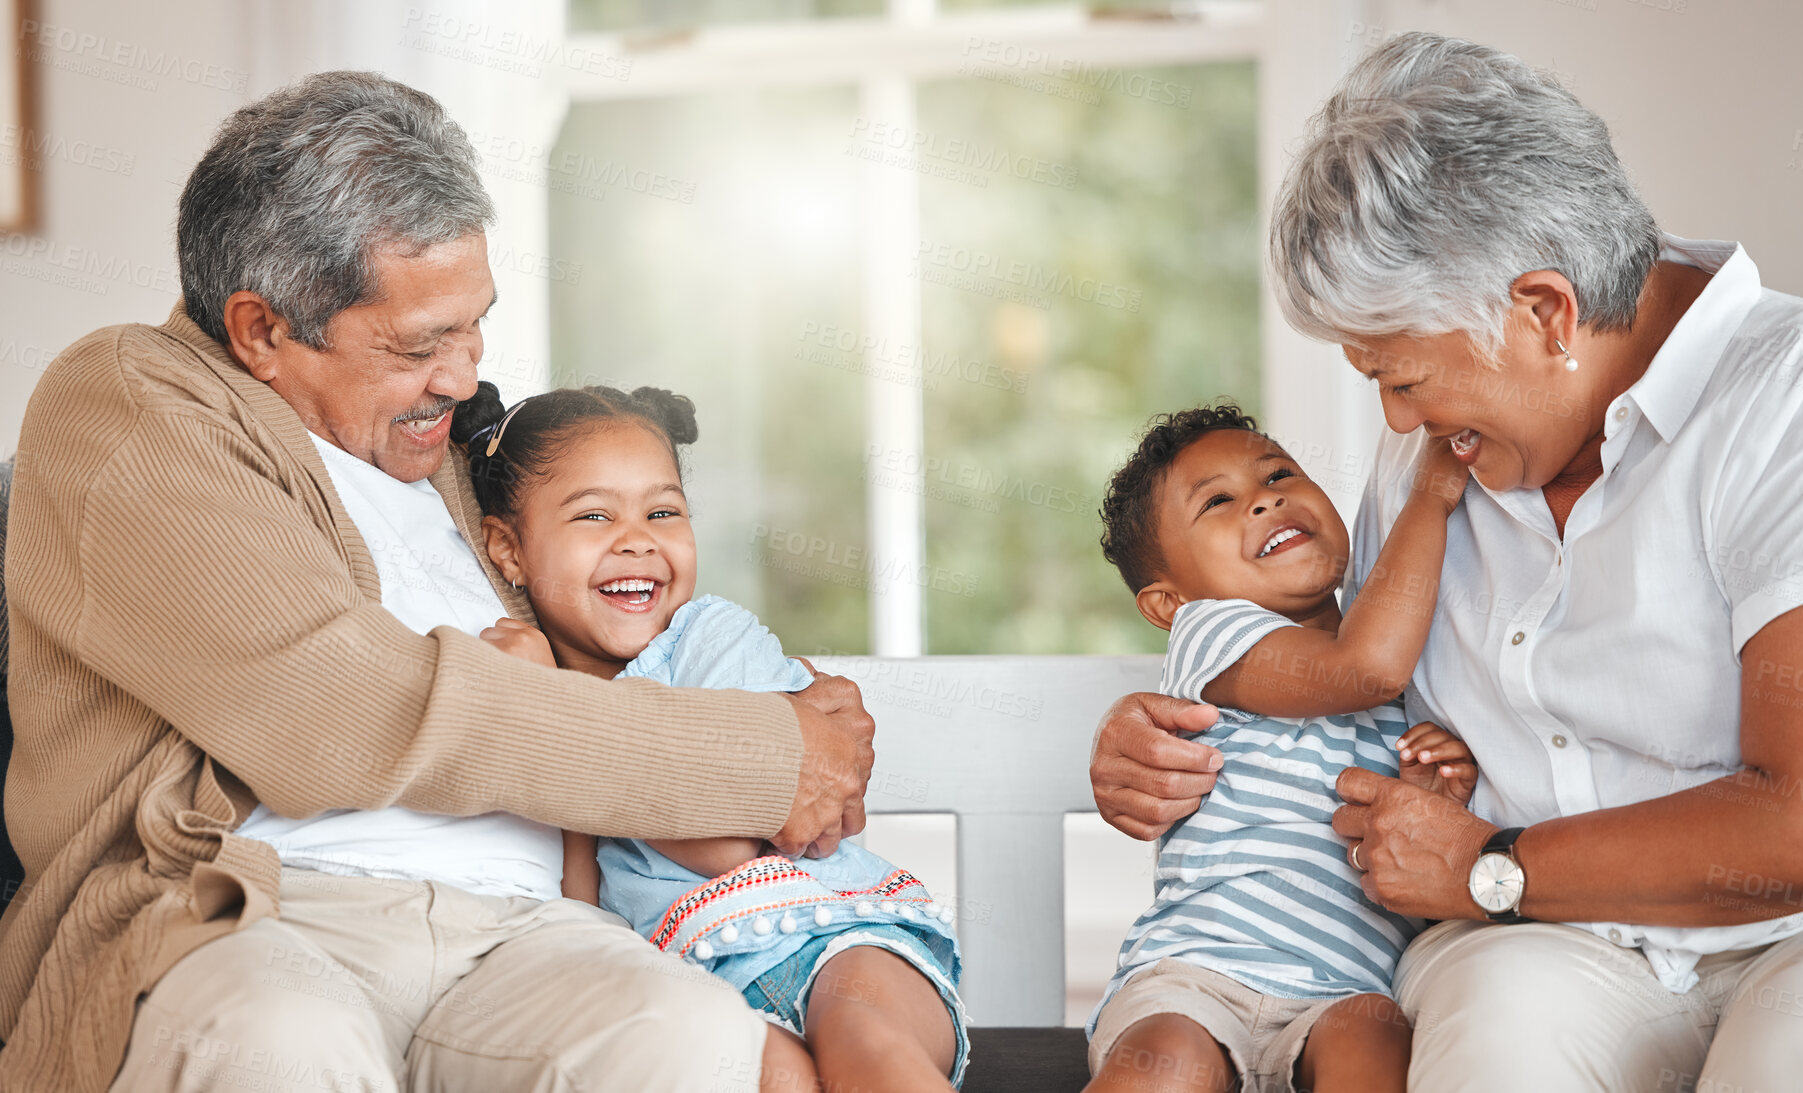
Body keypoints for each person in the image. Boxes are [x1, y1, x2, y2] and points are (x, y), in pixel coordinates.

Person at [0, 72, 874, 1093]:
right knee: (280, 1039)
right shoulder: (134, 401)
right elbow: (345, 710)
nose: (463, 376)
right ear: (261, 332)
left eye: (473, 326)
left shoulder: (469, 458)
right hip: (247, 913)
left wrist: (804, 723)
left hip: (522, 928)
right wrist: (765, 752)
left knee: (677, 1030)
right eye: (419, 345)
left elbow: (627, 634)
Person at [1090, 31, 1803, 1092]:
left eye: (1399, 374)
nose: (1393, 417)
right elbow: (1320, 665)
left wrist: (1492, 861)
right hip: (1531, 938)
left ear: (1542, 310)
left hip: (1793, 931)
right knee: (1493, 1043)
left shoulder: (1793, 402)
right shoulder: (1433, 459)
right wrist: (1144, 732)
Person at [450, 380, 968, 1091]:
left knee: (865, 1045)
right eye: (594, 515)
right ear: (509, 550)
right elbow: (581, 907)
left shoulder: (712, 638)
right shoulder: (554, 704)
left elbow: (730, 841)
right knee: (753, 1072)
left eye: (663, 511)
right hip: (695, 983)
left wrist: (558, 700)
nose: (636, 539)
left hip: (828, 942)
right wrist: (550, 713)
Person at [1081, 403, 1476, 1093]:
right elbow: (1361, 669)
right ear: (1168, 602)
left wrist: (1432, 795)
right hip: (1195, 974)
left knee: (1376, 1049)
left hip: (1347, 988)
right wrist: (1432, 496)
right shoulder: (1210, 636)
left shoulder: (1409, 683)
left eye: (1279, 473)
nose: (1265, 497)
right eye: (1219, 501)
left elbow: (1411, 868)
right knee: (1167, 1061)